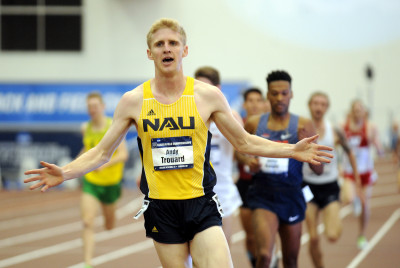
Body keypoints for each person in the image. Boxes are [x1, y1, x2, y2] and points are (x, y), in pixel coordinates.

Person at [24, 18, 333, 268]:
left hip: (200, 202)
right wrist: (65, 172)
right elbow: (101, 152)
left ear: (185, 51)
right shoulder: (133, 101)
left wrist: (292, 150)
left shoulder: (206, 96)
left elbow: (243, 141)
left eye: (173, 43)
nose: (166, 49)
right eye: (159, 44)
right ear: (150, 54)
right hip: (161, 208)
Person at [245, 70, 324, 268]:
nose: (279, 98)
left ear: (291, 94)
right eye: (274, 93)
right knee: (263, 256)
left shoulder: (303, 124)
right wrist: (248, 161)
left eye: (284, 93)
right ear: (268, 95)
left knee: (290, 260)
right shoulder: (255, 123)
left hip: (291, 195)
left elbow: (319, 170)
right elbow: (240, 149)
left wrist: (310, 153)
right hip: (263, 195)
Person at [303, 91, 360, 268]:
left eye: (322, 104)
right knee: (312, 238)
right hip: (307, 187)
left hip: (330, 186)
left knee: (333, 235)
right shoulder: (302, 129)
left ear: (326, 107)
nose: (318, 107)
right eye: (315, 103)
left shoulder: (334, 130)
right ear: (309, 106)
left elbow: (349, 152)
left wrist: (355, 178)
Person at [194, 66, 243, 247]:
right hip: (194, 190)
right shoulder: (189, 115)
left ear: (218, 89)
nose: (202, 92)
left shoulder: (231, 116)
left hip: (221, 189)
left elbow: (244, 147)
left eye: (207, 87)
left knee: (223, 250)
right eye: (198, 87)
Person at [80, 92, 128, 268]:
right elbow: (87, 150)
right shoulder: (86, 128)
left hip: (111, 183)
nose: (92, 110)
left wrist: (104, 164)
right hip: (91, 181)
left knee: (109, 225)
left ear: (102, 107)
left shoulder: (113, 126)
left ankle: (110, 217)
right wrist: (67, 169)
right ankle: (87, 263)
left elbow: (123, 154)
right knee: (87, 221)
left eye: (95, 106)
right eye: (89, 107)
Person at [340, 99, 383, 250]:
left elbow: (380, 151)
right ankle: (355, 200)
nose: (358, 113)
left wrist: (377, 146)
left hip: (366, 172)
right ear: (351, 111)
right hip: (350, 171)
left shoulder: (370, 127)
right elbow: (334, 144)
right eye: (355, 110)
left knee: (366, 205)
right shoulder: (342, 126)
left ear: (364, 112)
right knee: (348, 198)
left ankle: (362, 235)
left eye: (360, 110)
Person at [234, 87, 264, 267]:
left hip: (266, 184)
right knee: (251, 236)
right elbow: (235, 152)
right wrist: (247, 160)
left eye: (258, 100)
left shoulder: (270, 125)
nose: (254, 104)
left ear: (263, 103)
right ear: (244, 104)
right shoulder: (238, 124)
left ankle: (269, 261)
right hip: (245, 184)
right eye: (250, 100)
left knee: (266, 232)